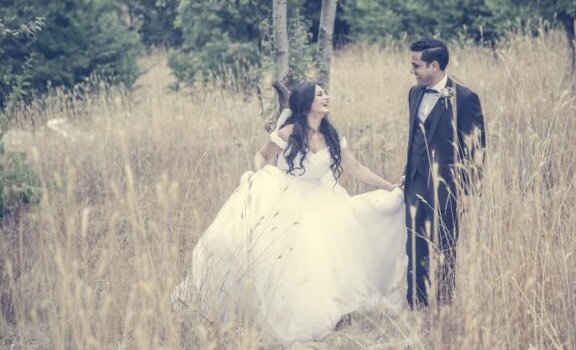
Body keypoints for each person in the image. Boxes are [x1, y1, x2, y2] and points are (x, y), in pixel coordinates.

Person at [175, 82, 408, 343]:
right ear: (306, 102)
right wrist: (260, 178)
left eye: (325, 93)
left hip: (324, 200)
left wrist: (389, 186)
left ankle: (329, 305)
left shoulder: (331, 134)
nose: (326, 97)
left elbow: (354, 166)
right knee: (289, 259)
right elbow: (261, 156)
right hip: (288, 196)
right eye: (320, 94)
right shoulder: (288, 133)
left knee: (328, 255)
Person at [402, 38, 486, 308]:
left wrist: (470, 191)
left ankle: (444, 304)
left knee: (445, 245)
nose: (412, 71)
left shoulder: (464, 97)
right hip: (415, 181)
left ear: (434, 65)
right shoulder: (414, 94)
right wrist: (408, 171)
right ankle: (417, 303)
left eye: (416, 66)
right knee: (414, 245)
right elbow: (415, 136)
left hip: (447, 185)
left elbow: (476, 148)